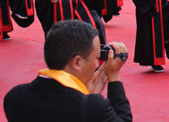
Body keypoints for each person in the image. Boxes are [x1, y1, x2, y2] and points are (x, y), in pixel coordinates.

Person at [3, 20, 131, 122]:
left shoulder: (15, 98)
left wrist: (84, 93)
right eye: (97, 58)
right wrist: (114, 77)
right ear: (77, 62)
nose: (97, 64)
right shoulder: (91, 107)